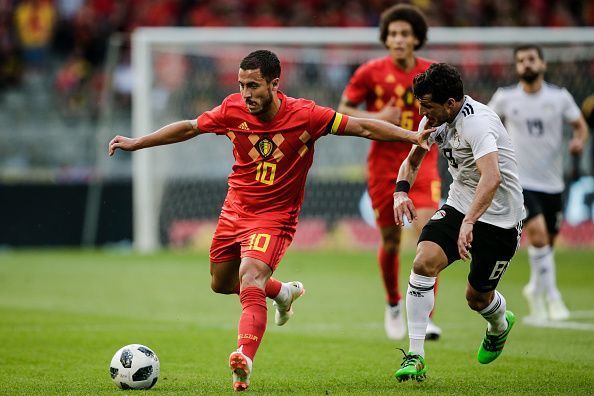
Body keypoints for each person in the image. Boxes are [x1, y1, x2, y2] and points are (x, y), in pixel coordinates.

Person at [108, 50, 432, 392]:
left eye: (254, 85)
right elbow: (189, 128)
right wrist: (137, 142)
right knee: (220, 283)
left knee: (251, 277)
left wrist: (411, 136)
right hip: (234, 210)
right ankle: (283, 294)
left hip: (275, 217)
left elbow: (362, 126)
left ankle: (244, 358)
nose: (246, 93)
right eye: (242, 84)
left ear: (275, 84)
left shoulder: (307, 115)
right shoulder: (231, 109)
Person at [392, 63, 525, 382]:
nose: (422, 111)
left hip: (500, 217)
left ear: (450, 102)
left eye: (427, 105)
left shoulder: (477, 125)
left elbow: (491, 178)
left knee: (476, 297)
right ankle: (416, 356)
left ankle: (499, 324)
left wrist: (470, 223)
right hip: (460, 203)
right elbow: (412, 160)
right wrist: (400, 192)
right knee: (423, 262)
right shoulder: (433, 120)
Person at [338, 3, 442, 341]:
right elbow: (343, 110)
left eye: (405, 34)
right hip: (383, 167)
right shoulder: (369, 72)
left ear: (416, 39)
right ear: (386, 39)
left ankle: (425, 316)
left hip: (422, 162)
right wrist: (381, 115)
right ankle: (394, 303)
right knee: (392, 240)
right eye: (393, 34)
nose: (398, 39)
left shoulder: (433, 72)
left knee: (429, 235)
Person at [488, 44, 589, 322]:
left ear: (542, 65)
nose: (526, 65)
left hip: (552, 183)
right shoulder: (505, 98)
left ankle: (534, 288)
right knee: (539, 236)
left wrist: (579, 140)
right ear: (517, 67)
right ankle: (553, 297)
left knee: (547, 245)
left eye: (531, 59)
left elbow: (580, 125)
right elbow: (485, 123)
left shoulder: (560, 98)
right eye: (520, 61)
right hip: (518, 181)